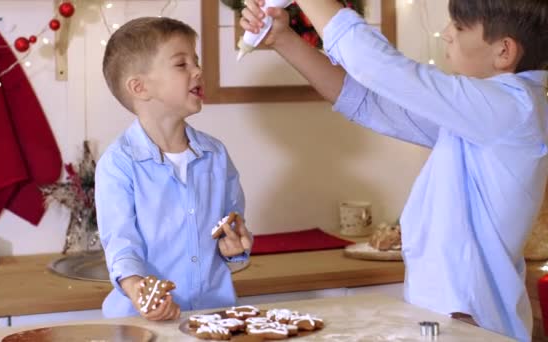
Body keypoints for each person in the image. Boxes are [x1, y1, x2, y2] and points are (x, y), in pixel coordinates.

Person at [241, 0, 547, 340]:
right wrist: (284, 39)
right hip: (453, 319)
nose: (446, 35)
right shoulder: (486, 113)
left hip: (472, 325)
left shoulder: (509, 107)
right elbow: (369, 102)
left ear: (504, 51)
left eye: (459, 28)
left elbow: (382, 68)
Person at [95, 16, 253, 321]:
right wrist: (138, 290)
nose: (198, 71)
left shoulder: (215, 155)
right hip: (141, 325)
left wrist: (236, 245)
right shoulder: (118, 165)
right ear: (139, 87)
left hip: (213, 317)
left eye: (196, 61)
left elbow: (233, 225)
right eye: (182, 64)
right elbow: (121, 246)